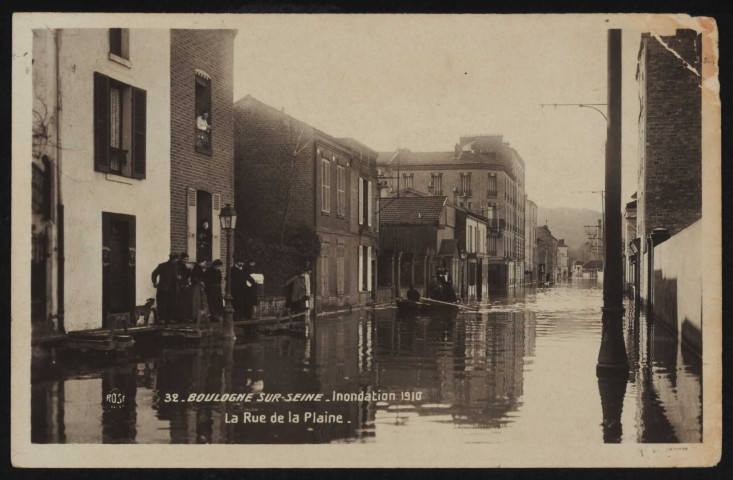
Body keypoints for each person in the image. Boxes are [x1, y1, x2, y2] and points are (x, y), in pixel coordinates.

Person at [151, 253, 179, 324]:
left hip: (172, 288)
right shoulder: (162, 266)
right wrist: (154, 282)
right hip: (163, 288)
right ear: (172, 259)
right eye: (175, 259)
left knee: (172, 304)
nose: (176, 260)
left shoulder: (176, 266)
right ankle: (161, 319)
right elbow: (154, 273)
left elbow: (176, 276)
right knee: (162, 304)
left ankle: (169, 318)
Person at [190, 258, 210, 328]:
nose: (205, 264)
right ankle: (196, 316)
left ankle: (199, 316)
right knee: (197, 300)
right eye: (204, 262)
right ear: (201, 262)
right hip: (197, 285)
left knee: (200, 300)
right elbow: (195, 277)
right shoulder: (197, 268)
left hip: (198, 285)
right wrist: (200, 282)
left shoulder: (197, 268)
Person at [176, 253, 193, 322]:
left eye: (187, 259)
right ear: (181, 259)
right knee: (181, 301)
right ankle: (181, 317)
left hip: (184, 284)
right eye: (185, 259)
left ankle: (184, 317)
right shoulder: (178, 265)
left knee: (185, 301)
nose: (186, 261)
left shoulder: (184, 265)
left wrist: (189, 269)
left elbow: (187, 275)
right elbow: (179, 276)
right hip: (180, 285)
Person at [230, 257, 247, 322]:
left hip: (242, 289)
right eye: (240, 262)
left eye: (242, 262)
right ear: (236, 262)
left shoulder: (242, 269)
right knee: (236, 303)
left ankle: (241, 316)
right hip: (236, 289)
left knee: (241, 303)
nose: (241, 264)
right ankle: (236, 316)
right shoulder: (233, 269)